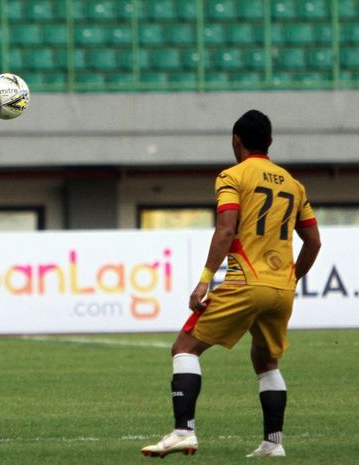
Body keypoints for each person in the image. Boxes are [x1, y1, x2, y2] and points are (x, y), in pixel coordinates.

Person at [141, 110, 321, 458]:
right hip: (282, 288)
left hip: (246, 280)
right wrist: (291, 278)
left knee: (185, 347)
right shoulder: (293, 184)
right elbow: (314, 242)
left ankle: (183, 432)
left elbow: (226, 230)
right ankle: (273, 444)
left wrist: (204, 281)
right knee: (266, 361)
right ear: (270, 142)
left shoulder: (232, 176)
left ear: (235, 141)